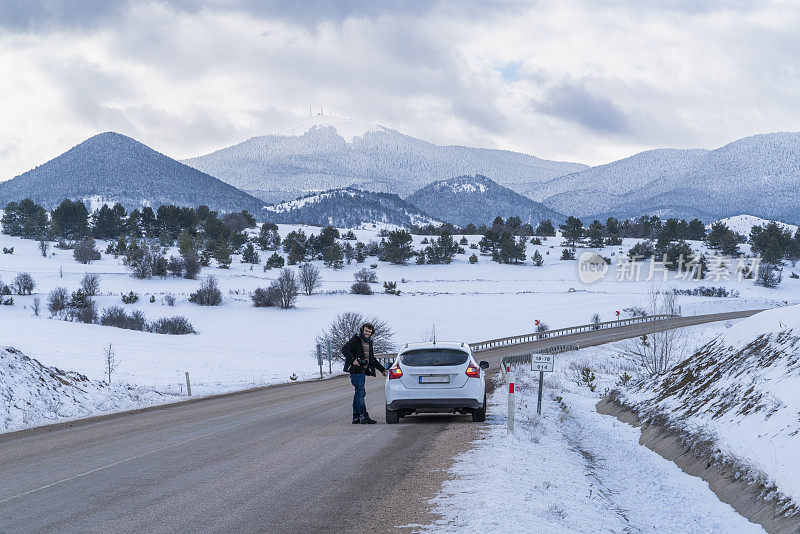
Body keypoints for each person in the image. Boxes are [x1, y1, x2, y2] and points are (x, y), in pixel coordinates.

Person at [342, 322, 387, 424]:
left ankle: (356, 417)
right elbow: (344, 349)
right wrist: (353, 360)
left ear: (371, 333)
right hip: (355, 371)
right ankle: (363, 416)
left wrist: (382, 370)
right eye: (366, 331)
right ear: (362, 330)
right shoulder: (356, 339)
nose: (367, 333)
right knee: (360, 393)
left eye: (369, 332)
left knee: (358, 393)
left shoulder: (369, 342)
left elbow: (372, 359)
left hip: (362, 371)